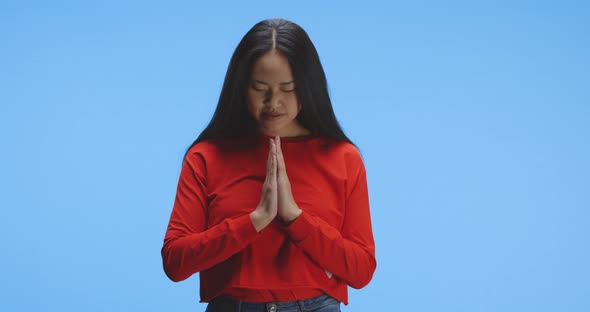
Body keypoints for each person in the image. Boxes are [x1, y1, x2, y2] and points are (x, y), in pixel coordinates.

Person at [161, 18, 376, 312]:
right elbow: (175, 262)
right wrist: (255, 220)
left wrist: (295, 219)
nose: (273, 103)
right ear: (240, 88)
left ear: (309, 88)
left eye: (288, 89)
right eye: (260, 88)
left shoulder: (343, 158)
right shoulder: (206, 156)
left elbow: (361, 270)